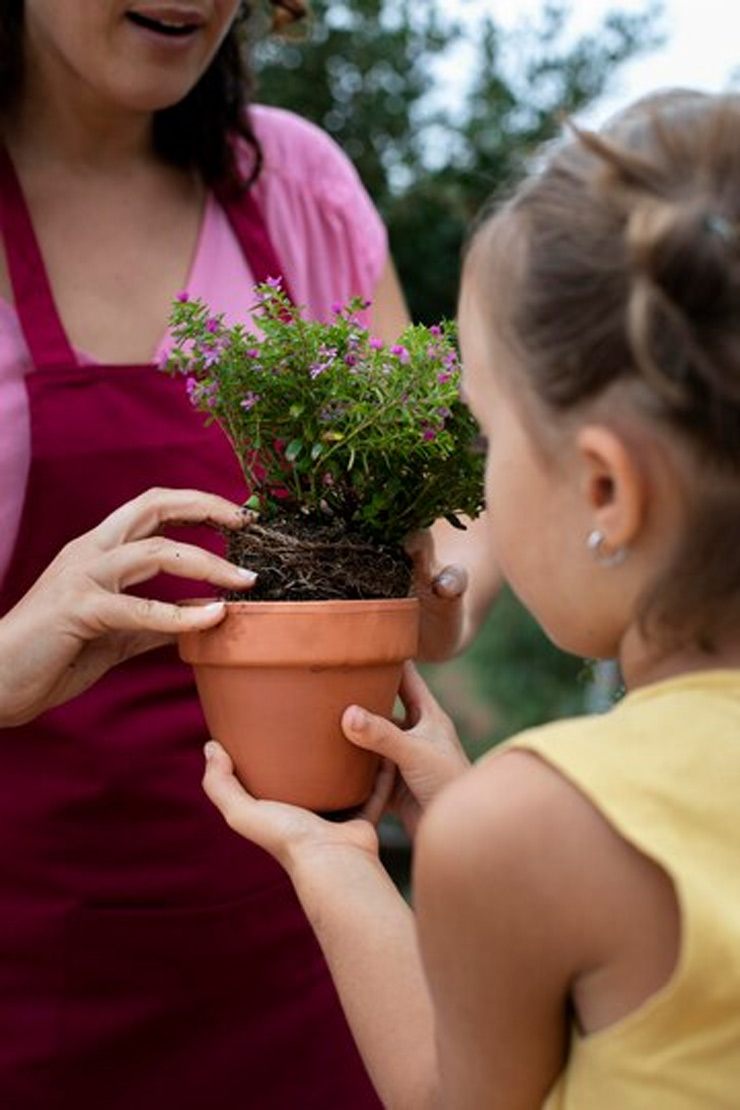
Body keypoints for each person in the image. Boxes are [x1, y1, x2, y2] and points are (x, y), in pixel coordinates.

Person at [0, 1, 498, 1105]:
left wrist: (438, 600)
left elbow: (469, 486)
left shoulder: (299, 187)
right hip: (27, 988)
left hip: (319, 956)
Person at [204, 89, 740, 1108]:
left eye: (487, 439)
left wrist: (335, 865)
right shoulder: (533, 825)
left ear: (604, 491)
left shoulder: (526, 833)